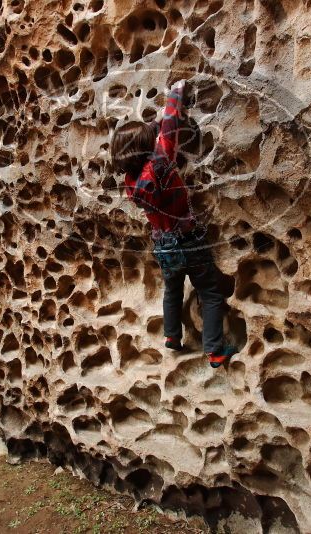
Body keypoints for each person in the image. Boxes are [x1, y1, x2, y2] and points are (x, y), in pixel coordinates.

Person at [110, 79, 237, 368]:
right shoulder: (161, 161)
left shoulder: (131, 182)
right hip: (188, 240)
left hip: (163, 246)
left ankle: (172, 336)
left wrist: (148, 130)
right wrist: (176, 91)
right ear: (148, 147)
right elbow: (169, 126)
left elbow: (150, 139)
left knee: (173, 290)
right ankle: (215, 351)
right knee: (210, 292)